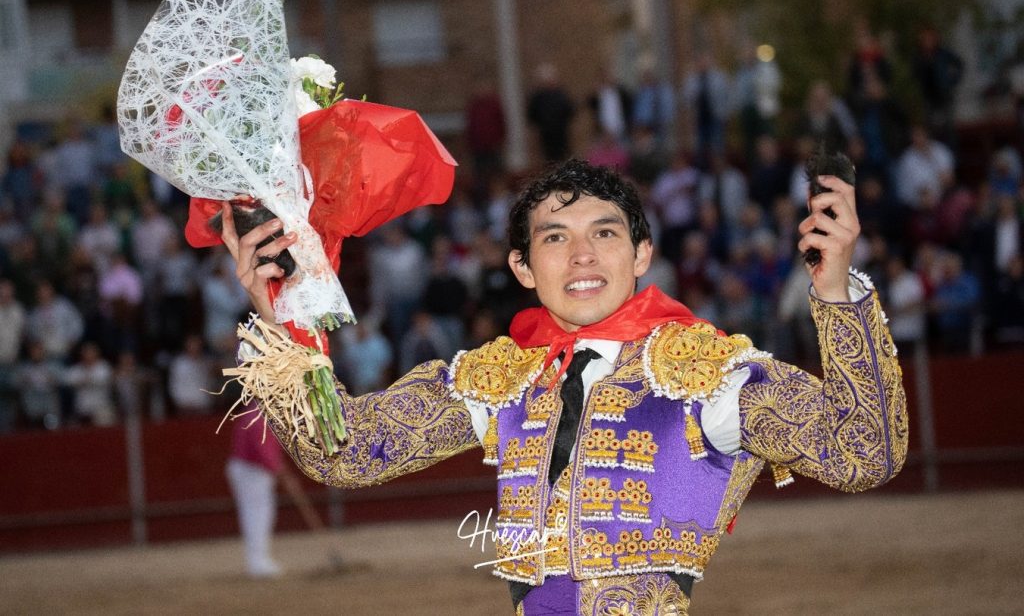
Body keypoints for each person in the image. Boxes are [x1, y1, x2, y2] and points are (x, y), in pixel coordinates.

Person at [221, 160, 906, 614]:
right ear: (523, 267)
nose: (582, 255)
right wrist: (281, 310)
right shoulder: (501, 378)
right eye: (555, 238)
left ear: (641, 254)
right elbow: (344, 452)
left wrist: (836, 291)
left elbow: (863, 452)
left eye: (604, 233)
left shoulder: (707, 374)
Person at [226, 413, 286, 578]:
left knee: (256, 514)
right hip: (252, 471)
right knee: (257, 515)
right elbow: (263, 447)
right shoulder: (259, 416)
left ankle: (258, 560)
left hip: (250, 469)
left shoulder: (255, 413)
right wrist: (277, 468)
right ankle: (258, 562)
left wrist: (276, 466)